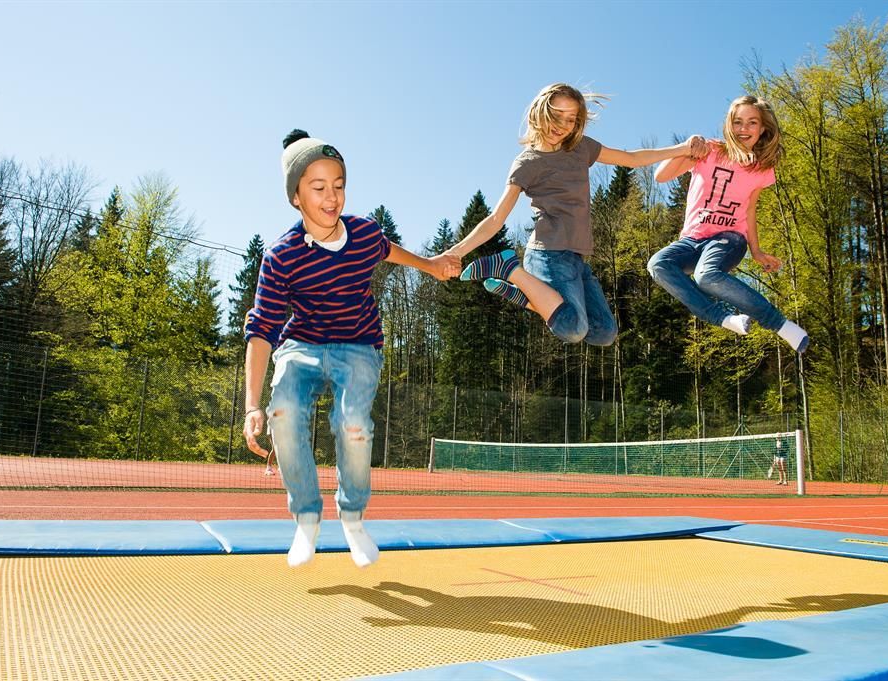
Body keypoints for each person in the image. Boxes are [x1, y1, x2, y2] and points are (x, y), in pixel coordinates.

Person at [243, 130, 458, 568]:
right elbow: (262, 329)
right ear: (296, 198)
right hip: (301, 345)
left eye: (338, 186)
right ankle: (306, 519)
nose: (331, 197)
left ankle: (353, 519)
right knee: (283, 414)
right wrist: (252, 404)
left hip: (359, 343)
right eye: (318, 188)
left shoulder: (363, 234)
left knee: (353, 424)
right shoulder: (281, 257)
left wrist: (431, 265)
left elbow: (389, 251)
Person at [445, 82, 704, 345]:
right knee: (573, 329)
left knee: (604, 333)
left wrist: (682, 149)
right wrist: (456, 252)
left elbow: (631, 158)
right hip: (548, 254)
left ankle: (526, 296)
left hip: (577, 257)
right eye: (556, 115)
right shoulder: (526, 163)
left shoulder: (581, 148)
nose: (563, 124)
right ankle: (509, 269)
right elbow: (496, 218)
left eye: (571, 119)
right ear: (539, 112)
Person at [647, 95, 809, 354]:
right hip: (692, 240)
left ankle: (780, 324)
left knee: (706, 275)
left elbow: (751, 209)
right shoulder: (709, 151)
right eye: (737, 122)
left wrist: (756, 251)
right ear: (728, 125)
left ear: (763, 129)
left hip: (729, 238)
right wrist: (687, 147)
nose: (743, 129)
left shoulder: (761, 169)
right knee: (658, 264)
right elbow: (661, 176)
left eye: (752, 123)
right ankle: (724, 319)